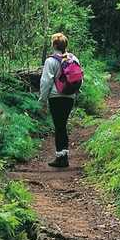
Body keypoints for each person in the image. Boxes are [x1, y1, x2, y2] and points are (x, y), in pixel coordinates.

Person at [39, 33, 80, 168]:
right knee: (63, 125)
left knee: (59, 126)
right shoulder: (73, 58)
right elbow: (79, 77)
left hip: (56, 97)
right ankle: (63, 156)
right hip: (69, 96)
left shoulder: (50, 61)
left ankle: (61, 158)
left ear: (54, 45)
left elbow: (46, 82)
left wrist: (42, 100)